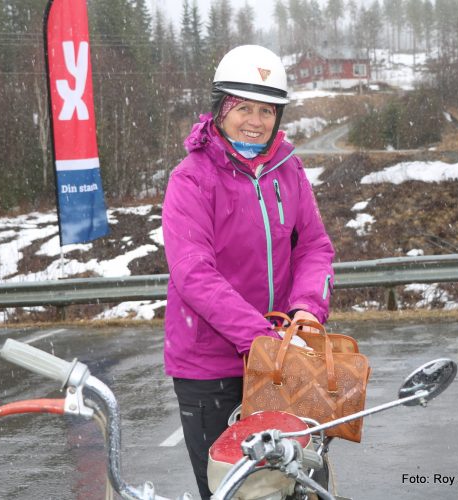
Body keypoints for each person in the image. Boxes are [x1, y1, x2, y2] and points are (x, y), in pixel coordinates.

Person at [161, 45, 335, 499]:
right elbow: (192, 273)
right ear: (220, 109)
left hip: (281, 360)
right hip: (210, 367)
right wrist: (258, 336)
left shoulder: (288, 170)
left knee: (302, 484)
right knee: (235, 491)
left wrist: (307, 310)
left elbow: (315, 247)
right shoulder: (191, 179)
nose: (255, 121)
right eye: (243, 108)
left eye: (266, 110)